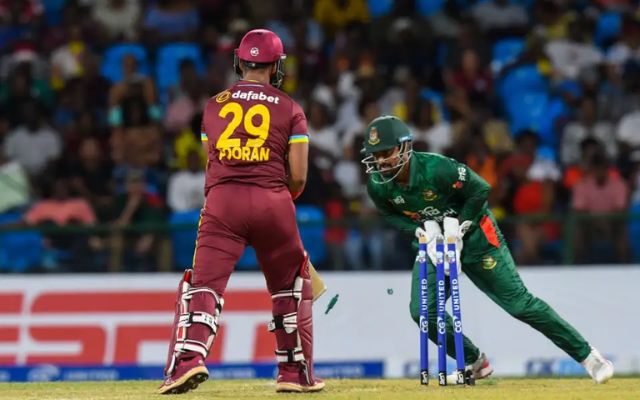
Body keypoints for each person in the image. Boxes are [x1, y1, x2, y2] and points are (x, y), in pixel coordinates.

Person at [361, 115, 614, 384]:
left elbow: (481, 189)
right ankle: (474, 360)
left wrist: (460, 227)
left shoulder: (437, 168)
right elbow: (389, 214)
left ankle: (589, 357)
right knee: (423, 313)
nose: (380, 161)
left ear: (404, 147)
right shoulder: (378, 186)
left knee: (520, 305)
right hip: (435, 245)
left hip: (478, 240)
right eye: (375, 155)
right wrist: (419, 231)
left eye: (386, 152)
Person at [158, 29, 324, 394]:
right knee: (291, 287)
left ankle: (187, 362)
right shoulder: (291, 108)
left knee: (203, 284)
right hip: (273, 201)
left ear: (239, 61)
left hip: (223, 203)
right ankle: (294, 375)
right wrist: (276, 199)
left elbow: (213, 161)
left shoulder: (213, 105)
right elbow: (298, 176)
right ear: (277, 65)